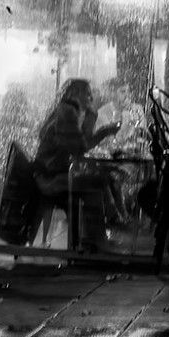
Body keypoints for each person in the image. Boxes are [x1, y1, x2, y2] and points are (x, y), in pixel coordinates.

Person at [33, 78, 125, 238]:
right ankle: (98, 234)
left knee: (107, 177)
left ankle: (102, 232)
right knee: (99, 181)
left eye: (91, 94)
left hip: (56, 170)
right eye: (87, 94)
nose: (91, 98)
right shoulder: (66, 113)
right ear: (75, 94)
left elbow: (81, 145)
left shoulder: (70, 111)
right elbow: (80, 149)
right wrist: (103, 131)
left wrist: (92, 117)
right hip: (50, 176)